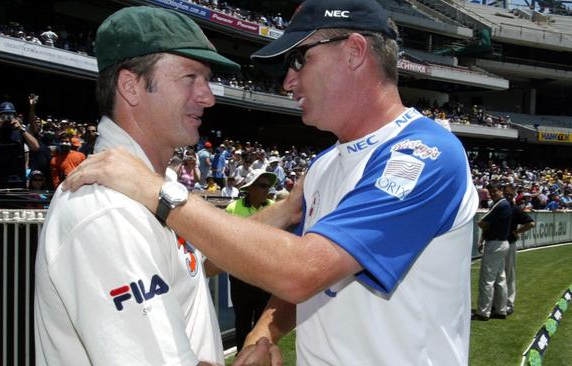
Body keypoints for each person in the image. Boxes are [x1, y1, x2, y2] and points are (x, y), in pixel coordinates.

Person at [63, 0, 478, 364]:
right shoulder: (323, 168)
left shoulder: (424, 155)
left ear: (354, 52)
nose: (287, 81)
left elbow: (303, 271)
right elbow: (308, 273)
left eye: (299, 59)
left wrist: (157, 191)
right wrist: (263, 332)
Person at [33, 7, 278, 366]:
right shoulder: (108, 212)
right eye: (190, 77)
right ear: (131, 86)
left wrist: (290, 208)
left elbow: (199, 260)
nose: (208, 97)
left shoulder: (157, 187)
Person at [225, 170, 276, 351]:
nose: (267, 190)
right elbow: (228, 241)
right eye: (262, 186)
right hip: (241, 276)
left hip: (265, 276)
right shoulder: (233, 208)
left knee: (263, 323)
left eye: (268, 186)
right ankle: (242, 358)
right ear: (251, 188)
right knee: (243, 322)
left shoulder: (273, 206)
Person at [473, 184, 512, 321]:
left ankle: (483, 312)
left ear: (501, 191)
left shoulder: (500, 204)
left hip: (495, 243)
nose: (493, 194)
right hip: (502, 242)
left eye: (495, 191)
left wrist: (485, 229)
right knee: (500, 278)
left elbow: (481, 222)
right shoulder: (504, 204)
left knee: (487, 280)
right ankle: (501, 309)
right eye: (491, 192)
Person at [0, 101, 39, 189]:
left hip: (17, 179)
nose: (7, 117)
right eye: (4, 114)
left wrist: (22, 129)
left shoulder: (20, 130)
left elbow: (35, 147)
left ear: (15, 116)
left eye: (10, 114)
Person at [501, 184, 535, 315]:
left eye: (510, 194)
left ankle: (509, 302)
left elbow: (531, 223)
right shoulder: (498, 207)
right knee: (498, 276)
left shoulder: (515, 209)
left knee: (509, 274)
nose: (508, 196)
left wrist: (517, 231)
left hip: (510, 243)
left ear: (514, 195)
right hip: (498, 244)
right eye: (506, 194)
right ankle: (497, 302)